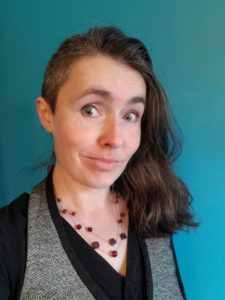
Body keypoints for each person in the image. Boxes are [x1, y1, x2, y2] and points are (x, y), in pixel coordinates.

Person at [0, 26, 198, 300]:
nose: (115, 139)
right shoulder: (9, 239)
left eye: (130, 115)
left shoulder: (152, 214)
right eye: (90, 110)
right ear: (47, 115)